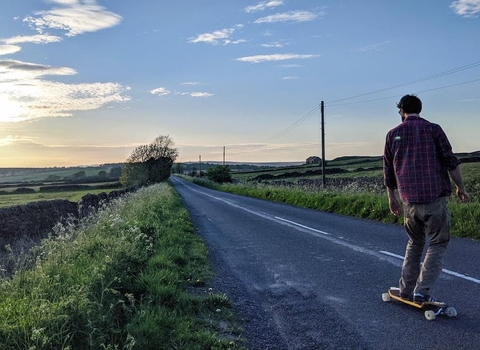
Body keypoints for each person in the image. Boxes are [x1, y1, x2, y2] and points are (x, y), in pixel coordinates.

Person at [383, 94, 469, 303]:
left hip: (409, 202)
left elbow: (389, 172)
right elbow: (450, 161)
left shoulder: (392, 134)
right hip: (434, 199)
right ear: (419, 109)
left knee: (415, 242)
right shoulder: (434, 129)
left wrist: (392, 199)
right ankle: (422, 291)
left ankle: (405, 290)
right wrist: (460, 187)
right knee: (438, 242)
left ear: (401, 110)